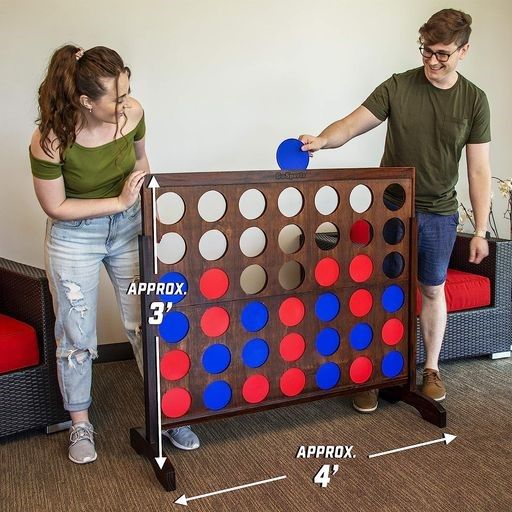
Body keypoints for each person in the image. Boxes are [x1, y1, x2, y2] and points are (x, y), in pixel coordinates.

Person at [299, 9, 491, 412]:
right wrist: (322, 139)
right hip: (390, 210)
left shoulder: (474, 100)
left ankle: (431, 370)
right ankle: (373, 371)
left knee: (432, 289)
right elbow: (351, 124)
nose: (432, 61)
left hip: (439, 212)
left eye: (442, 54)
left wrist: (478, 230)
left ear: (463, 51)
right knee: (382, 290)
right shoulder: (398, 86)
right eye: (426, 51)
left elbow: (478, 168)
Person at [29, 45, 199, 464]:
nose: (126, 105)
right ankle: (80, 425)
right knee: (76, 335)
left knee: (146, 322)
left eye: (128, 92)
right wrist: (120, 202)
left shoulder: (135, 114)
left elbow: (142, 164)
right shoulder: (50, 140)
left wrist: (145, 213)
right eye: (116, 99)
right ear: (86, 101)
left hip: (128, 230)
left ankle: (167, 411)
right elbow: (56, 207)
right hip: (75, 235)